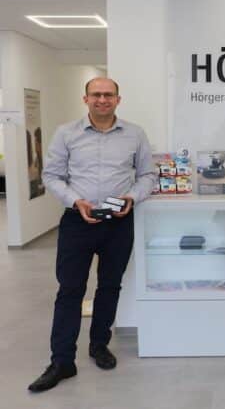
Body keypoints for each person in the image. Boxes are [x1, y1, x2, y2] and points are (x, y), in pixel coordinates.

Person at [28, 78, 158, 392]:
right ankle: (62, 361)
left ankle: (99, 345)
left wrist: (131, 198)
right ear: (85, 99)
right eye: (96, 94)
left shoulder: (135, 134)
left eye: (108, 95)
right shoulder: (66, 133)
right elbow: (51, 176)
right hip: (77, 222)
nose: (102, 99)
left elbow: (148, 175)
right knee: (70, 290)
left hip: (118, 223)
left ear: (118, 99)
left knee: (109, 286)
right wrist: (76, 201)